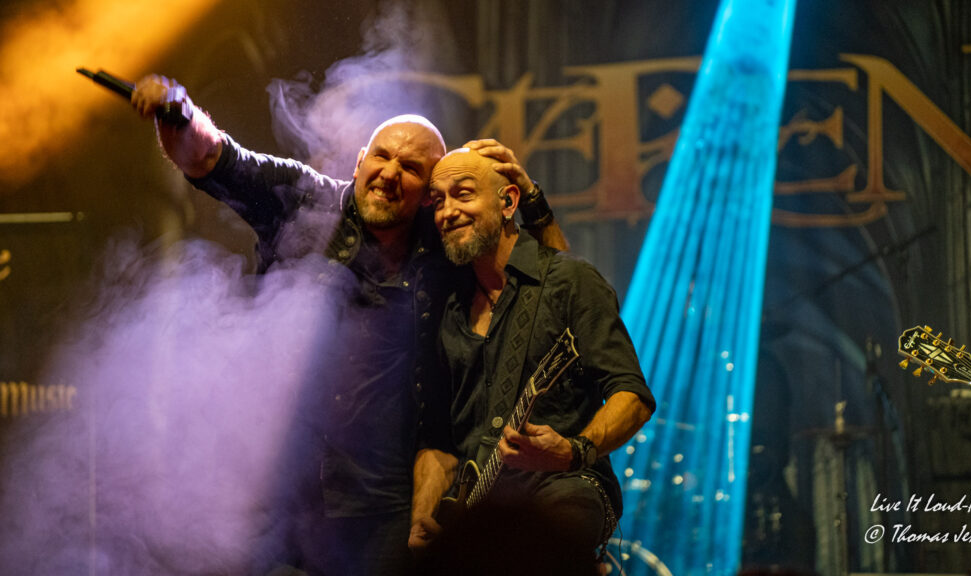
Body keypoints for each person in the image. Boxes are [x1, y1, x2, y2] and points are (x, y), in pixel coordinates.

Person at [129, 76, 567, 576]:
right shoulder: (302, 201)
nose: (389, 173)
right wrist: (180, 113)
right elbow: (213, 157)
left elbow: (558, 291)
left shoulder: (448, 243)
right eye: (381, 157)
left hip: (385, 507)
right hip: (278, 498)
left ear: (430, 195)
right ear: (360, 162)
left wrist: (530, 199)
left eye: (410, 168)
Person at [410, 147, 655, 574]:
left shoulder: (568, 281)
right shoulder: (445, 308)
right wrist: (422, 517)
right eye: (439, 200)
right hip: (479, 507)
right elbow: (438, 442)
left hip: (564, 486)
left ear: (508, 202)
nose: (448, 211)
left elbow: (632, 395)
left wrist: (574, 451)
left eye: (463, 194)